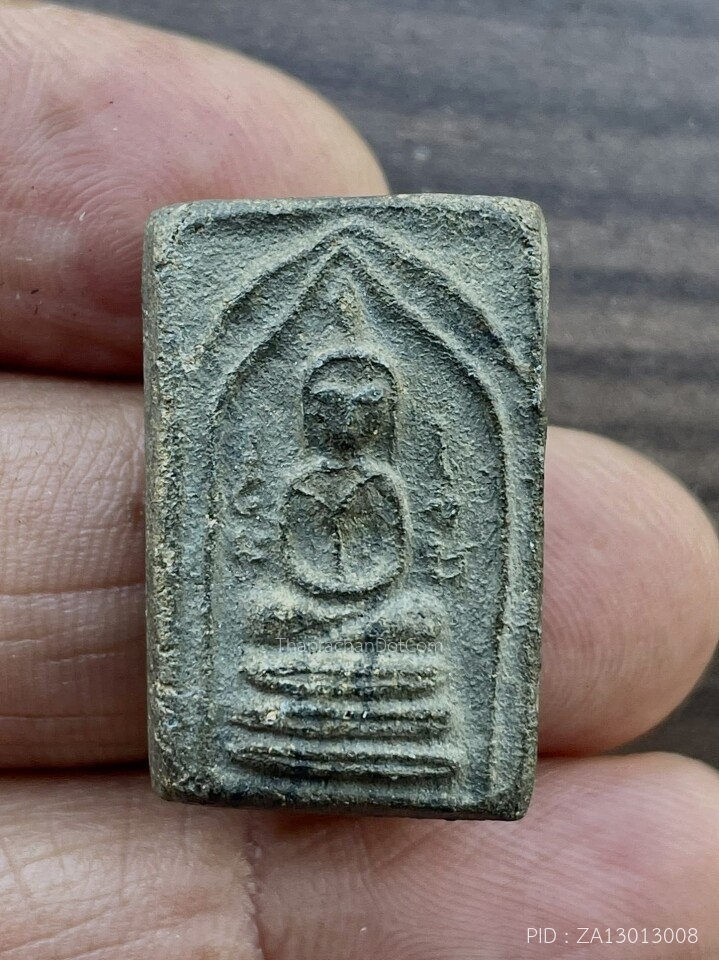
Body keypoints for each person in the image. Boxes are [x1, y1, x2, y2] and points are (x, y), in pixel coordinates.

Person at [0, 5, 717, 957]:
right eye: (328, 410)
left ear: (383, 418)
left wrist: (365, 591)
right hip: (300, 622)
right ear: (308, 415)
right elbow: (286, 557)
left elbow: (393, 564)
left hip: (382, 620)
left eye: (362, 411)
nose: (343, 425)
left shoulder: (390, 486)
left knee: (417, 626)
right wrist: (313, 582)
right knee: (270, 621)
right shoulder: (301, 483)